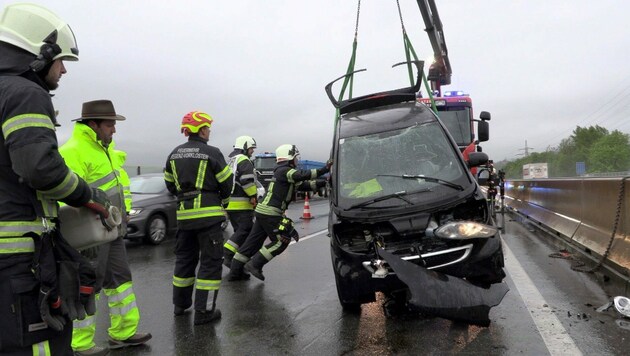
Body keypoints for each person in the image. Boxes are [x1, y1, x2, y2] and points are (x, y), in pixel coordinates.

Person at [0, 4, 105, 355]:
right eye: (60, 60)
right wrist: (88, 195)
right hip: (19, 262)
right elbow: (39, 168)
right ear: (38, 53)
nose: (62, 70)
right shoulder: (25, 93)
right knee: (39, 345)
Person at [59, 100, 152, 355]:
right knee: (88, 284)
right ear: (93, 124)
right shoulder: (74, 150)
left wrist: (124, 214)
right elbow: (66, 195)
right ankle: (80, 344)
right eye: (110, 124)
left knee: (120, 280)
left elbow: (117, 187)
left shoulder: (105, 150)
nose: (114, 130)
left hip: (111, 229)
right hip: (89, 234)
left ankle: (123, 333)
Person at [164, 111, 233, 325]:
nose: (209, 131)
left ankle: (180, 305)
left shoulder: (173, 154)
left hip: (184, 218)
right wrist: (221, 201)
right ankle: (204, 312)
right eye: (208, 128)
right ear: (202, 129)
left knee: (184, 261)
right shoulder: (212, 152)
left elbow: (169, 184)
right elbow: (226, 184)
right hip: (209, 218)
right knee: (210, 264)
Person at [227, 144, 331, 281]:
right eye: (295, 158)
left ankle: (235, 272)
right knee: (282, 241)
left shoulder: (283, 172)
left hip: (262, 211)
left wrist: (323, 182)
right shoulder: (285, 170)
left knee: (252, 243)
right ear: (289, 158)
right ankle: (255, 264)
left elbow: (303, 185)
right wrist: (325, 169)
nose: (297, 161)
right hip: (271, 213)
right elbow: (302, 175)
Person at [223, 135, 259, 270]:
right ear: (244, 147)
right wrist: (253, 195)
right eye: (251, 148)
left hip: (231, 204)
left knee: (241, 231)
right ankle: (226, 253)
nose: (252, 151)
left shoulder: (232, 160)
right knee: (245, 230)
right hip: (241, 205)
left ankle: (236, 263)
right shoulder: (244, 160)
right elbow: (247, 181)